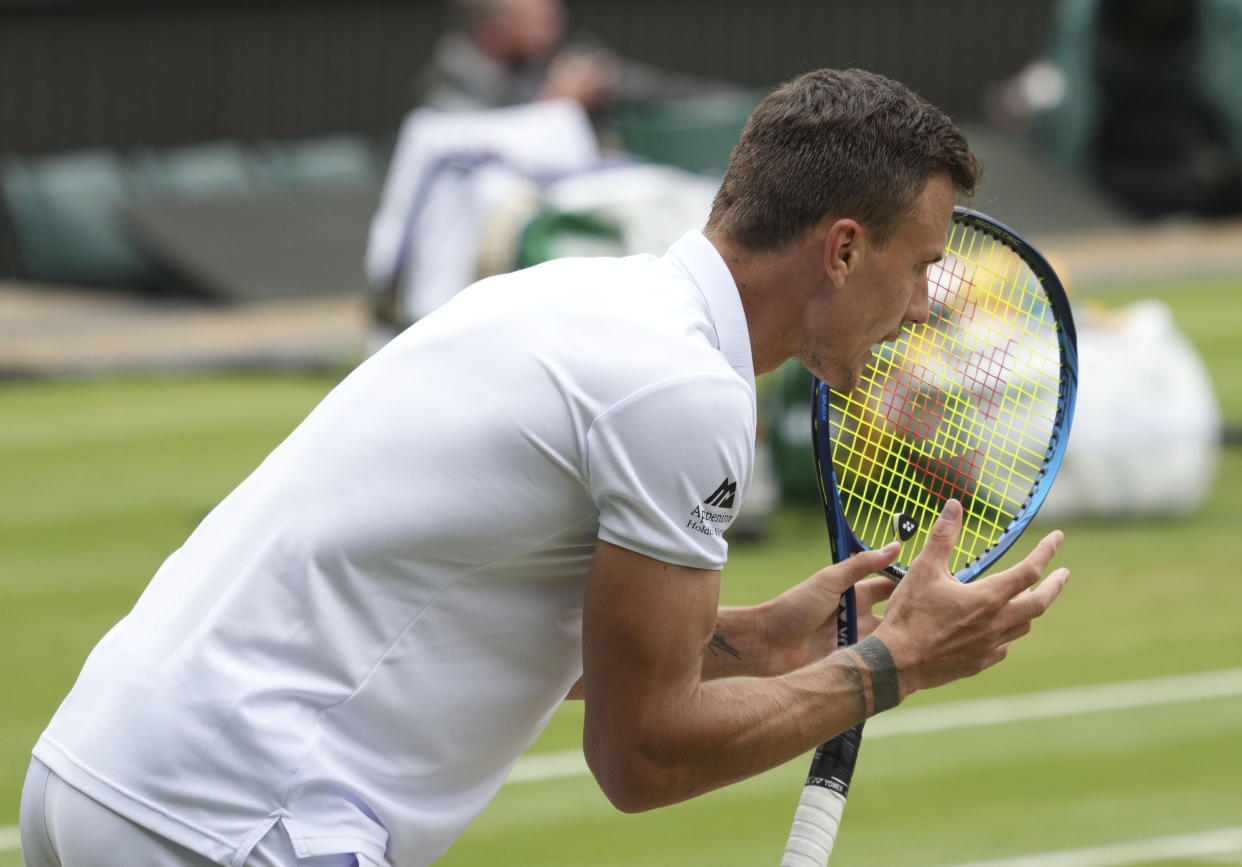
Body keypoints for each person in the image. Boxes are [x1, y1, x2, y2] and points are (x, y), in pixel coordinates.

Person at [21, 68, 1070, 867]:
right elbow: (644, 756)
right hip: (234, 817)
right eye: (923, 264)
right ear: (842, 250)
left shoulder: (578, 303)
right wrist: (896, 668)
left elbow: (476, 619)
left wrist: (750, 644)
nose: (926, 305)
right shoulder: (683, 390)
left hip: (97, 777)